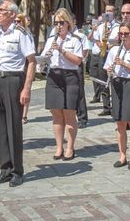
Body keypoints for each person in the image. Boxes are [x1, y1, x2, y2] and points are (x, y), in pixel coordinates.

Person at [0, 0, 36, 187]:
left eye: (2, 10)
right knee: (0, 126)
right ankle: (4, 168)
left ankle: (17, 171)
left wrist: (27, 88)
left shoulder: (21, 33)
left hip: (13, 79)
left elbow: (31, 61)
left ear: (12, 14)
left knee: (13, 126)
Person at [41, 8, 83, 160]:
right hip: (54, 77)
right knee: (56, 114)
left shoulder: (75, 40)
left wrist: (62, 50)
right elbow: (44, 57)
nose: (58, 26)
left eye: (61, 23)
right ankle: (59, 147)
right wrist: (45, 57)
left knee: (69, 113)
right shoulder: (51, 39)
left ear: (68, 23)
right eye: (56, 23)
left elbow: (78, 61)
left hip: (70, 77)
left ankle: (70, 148)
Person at [104, 21, 130, 170]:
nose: (123, 37)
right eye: (121, 34)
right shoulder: (114, 50)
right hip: (117, 85)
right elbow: (107, 68)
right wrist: (110, 70)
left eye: (126, 34)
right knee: (120, 123)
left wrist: (124, 64)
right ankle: (122, 156)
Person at [91, 4, 119, 116]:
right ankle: (106, 106)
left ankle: (116, 106)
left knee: (115, 80)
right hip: (102, 54)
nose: (108, 13)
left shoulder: (118, 26)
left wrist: (109, 46)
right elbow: (96, 39)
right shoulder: (101, 26)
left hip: (113, 54)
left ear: (114, 12)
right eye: (107, 11)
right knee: (103, 81)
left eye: (111, 11)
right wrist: (102, 45)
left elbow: (118, 40)